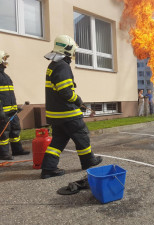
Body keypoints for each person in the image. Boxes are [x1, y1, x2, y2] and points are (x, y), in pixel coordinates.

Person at [41, 35, 102, 179]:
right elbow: (65, 91)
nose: (74, 54)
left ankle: (48, 169)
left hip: (56, 115)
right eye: (73, 50)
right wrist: (78, 100)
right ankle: (88, 162)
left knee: (58, 142)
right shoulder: (62, 66)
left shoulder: (53, 65)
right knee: (82, 136)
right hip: (67, 114)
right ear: (67, 50)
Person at [0, 51, 30, 160]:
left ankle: (17, 150)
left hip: (12, 112)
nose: (6, 61)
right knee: (4, 133)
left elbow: (8, 95)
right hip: (3, 113)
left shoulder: (5, 77)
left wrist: (15, 107)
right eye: (4, 59)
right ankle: (3, 153)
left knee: (15, 131)